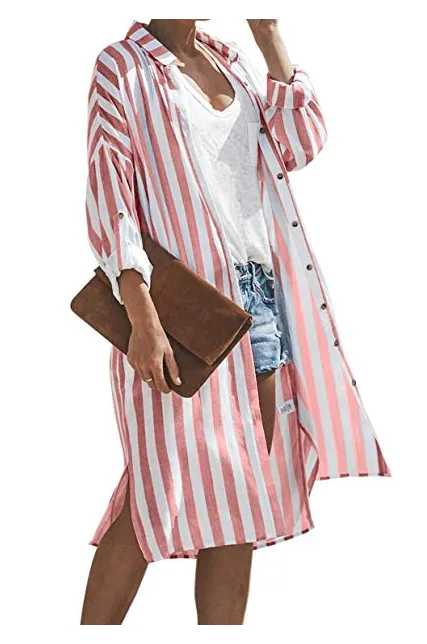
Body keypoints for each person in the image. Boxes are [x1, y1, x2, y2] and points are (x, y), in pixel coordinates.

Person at [80, 16, 390, 631]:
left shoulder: (229, 58)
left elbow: (298, 144)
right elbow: (109, 196)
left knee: (240, 491)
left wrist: (269, 34)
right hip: (182, 307)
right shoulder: (121, 66)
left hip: (260, 300)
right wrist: (140, 315)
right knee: (158, 486)